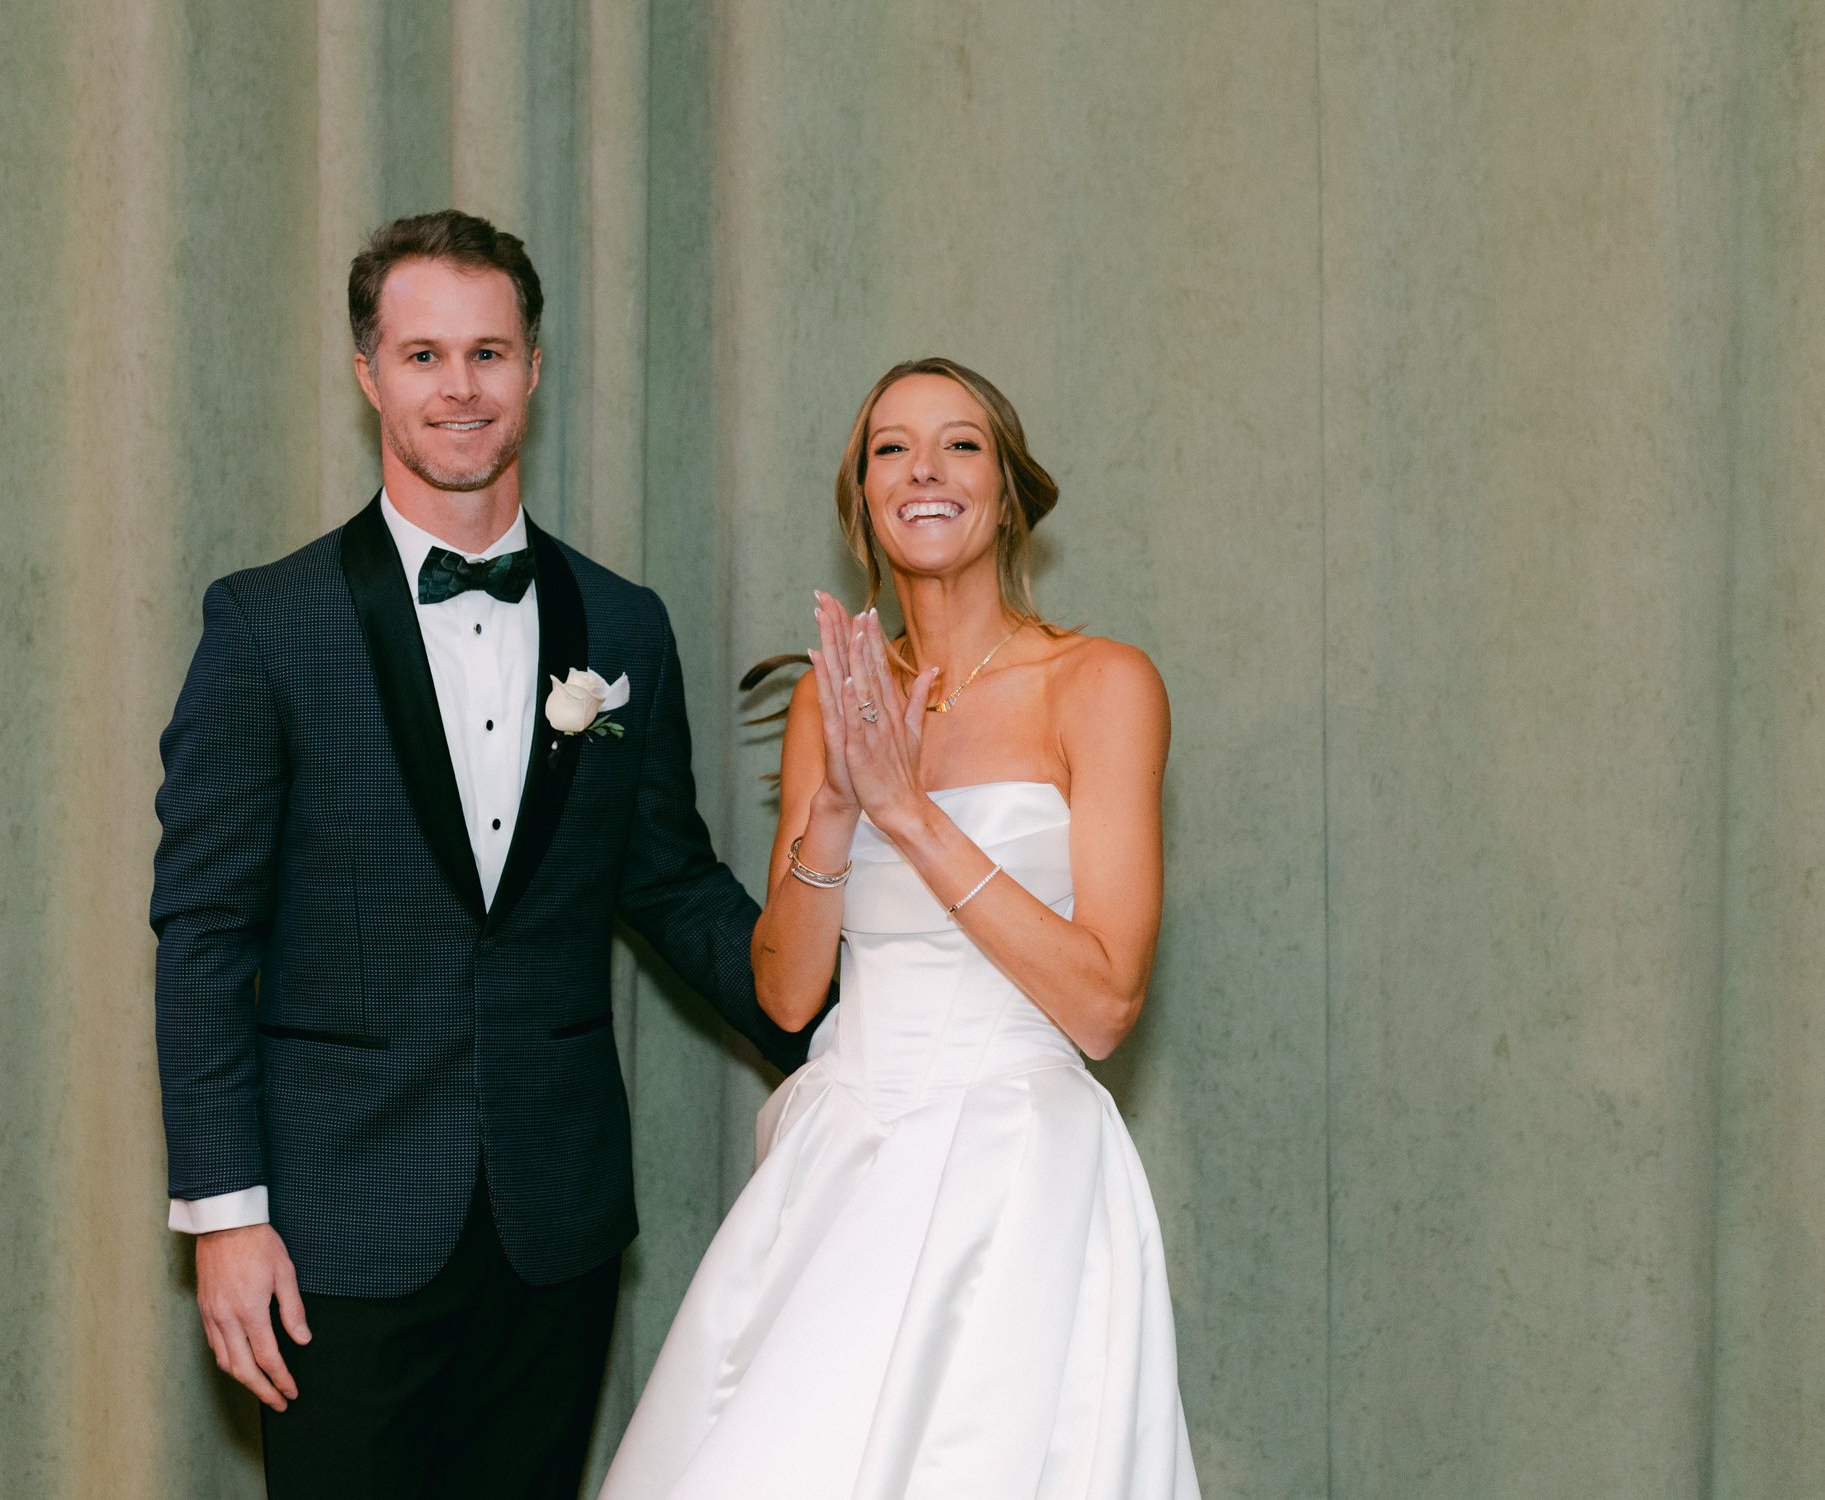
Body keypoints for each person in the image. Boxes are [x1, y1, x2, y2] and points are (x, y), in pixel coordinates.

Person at [150, 209, 814, 1500]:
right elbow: (204, 935)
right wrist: (225, 1218)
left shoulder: (625, 623)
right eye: (423, 356)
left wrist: (855, 1021)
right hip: (332, 1235)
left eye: (488, 354)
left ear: (533, 368)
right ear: (368, 375)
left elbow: (669, 885)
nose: (459, 387)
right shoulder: (266, 627)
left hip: (551, 1227)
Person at [601, 358, 1203, 1497]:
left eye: (960, 444)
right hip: (844, 1162)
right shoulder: (835, 701)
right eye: (891, 449)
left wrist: (908, 814)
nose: (923, 468)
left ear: (1007, 490)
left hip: (1018, 1170)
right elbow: (784, 995)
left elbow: (1106, 1004)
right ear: (863, 500)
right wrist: (832, 809)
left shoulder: (1102, 684)